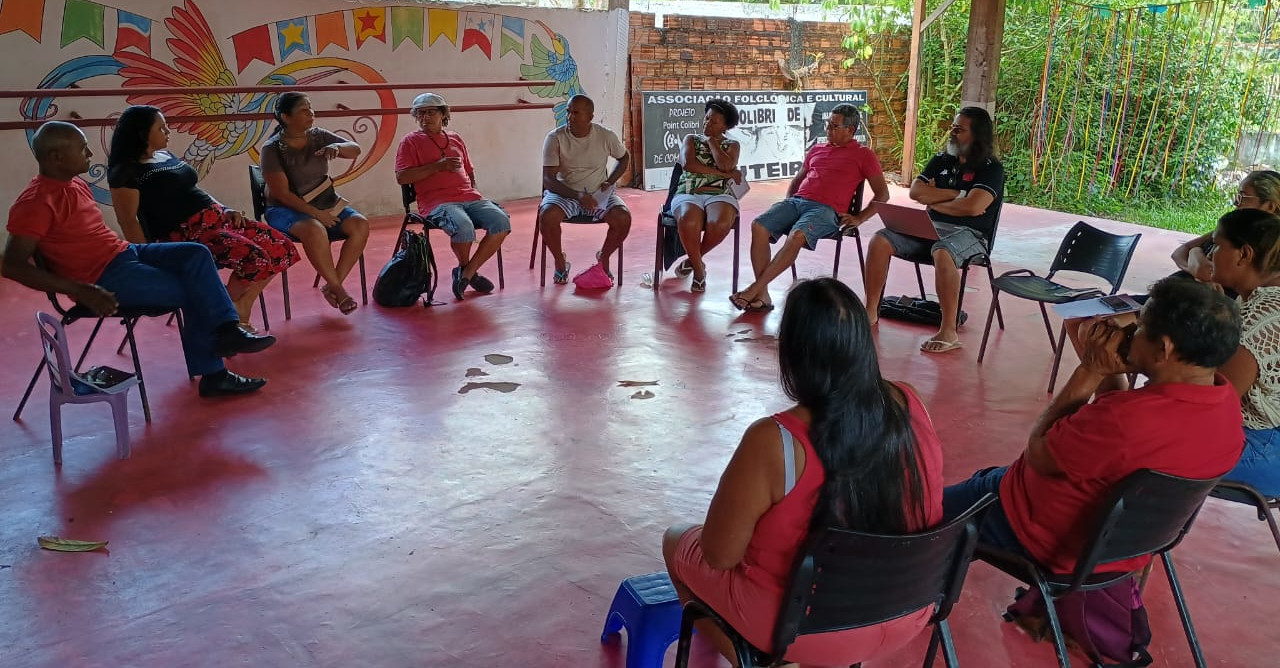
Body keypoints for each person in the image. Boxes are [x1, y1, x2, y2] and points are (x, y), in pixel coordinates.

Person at [663, 277, 944, 666]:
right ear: (863, 345)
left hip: (805, 631)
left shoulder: (774, 440)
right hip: (907, 611)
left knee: (676, 541)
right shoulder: (910, 401)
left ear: (791, 354)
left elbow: (719, 554)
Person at [942, 276, 1243, 576]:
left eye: (1138, 329)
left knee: (917, 514)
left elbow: (1039, 452)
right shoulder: (1226, 405)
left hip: (1039, 533)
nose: (1129, 333)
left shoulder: (1124, 420)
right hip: (1121, 551)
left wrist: (1090, 370)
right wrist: (1105, 365)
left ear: (1164, 349)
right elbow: (1121, 441)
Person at [3, 121, 274, 397]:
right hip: (103, 277)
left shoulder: (74, 185)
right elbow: (11, 265)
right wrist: (78, 289)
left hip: (125, 253)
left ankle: (227, 330)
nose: (89, 154)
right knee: (194, 289)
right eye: (83, 149)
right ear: (56, 157)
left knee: (196, 253)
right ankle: (214, 373)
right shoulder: (36, 203)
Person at [107, 105, 299, 332]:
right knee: (254, 257)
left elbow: (193, 189)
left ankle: (236, 307)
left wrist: (225, 208)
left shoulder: (165, 155)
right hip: (189, 234)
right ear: (142, 133)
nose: (168, 131)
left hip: (218, 220)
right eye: (161, 128)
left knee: (281, 247)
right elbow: (128, 220)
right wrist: (149, 257)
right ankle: (228, 316)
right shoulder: (126, 172)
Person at [864, 106, 1005, 353]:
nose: (952, 132)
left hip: (972, 235)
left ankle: (948, 330)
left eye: (959, 130)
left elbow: (973, 208)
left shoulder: (991, 168)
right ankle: (870, 312)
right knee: (881, 239)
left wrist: (935, 200)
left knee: (943, 251)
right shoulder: (941, 160)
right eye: (952, 127)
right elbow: (916, 192)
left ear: (977, 136)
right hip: (931, 227)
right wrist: (956, 195)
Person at [731, 104, 889, 312]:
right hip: (798, 202)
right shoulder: (817, 149)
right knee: (758, 226)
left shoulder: (863, 155)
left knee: (797, 235)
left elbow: (882, 195)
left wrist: (859, 218)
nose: (828, 129)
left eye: (834, 126)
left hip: (826, 210)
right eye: (827, 124)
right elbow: (798, 179)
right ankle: (763, 294)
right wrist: (789, 203)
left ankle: (755, 289)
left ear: (850, 131)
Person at [260, 92, 369, 315]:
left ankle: (332, 284)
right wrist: (316, 214)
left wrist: (337, 149)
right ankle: (339, 290)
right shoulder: (272, 149)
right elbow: (281, 194)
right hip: (284, 209)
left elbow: (355, 149)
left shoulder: (318, 136)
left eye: (310, 108)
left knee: (360, 224)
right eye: (303, 110)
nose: (311, 113)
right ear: (285, 117)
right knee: (314, 229)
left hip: (324, 203)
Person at [394, 92, 510, 301]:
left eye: (430, 113)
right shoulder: (410, 141)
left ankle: (466, 272)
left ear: (443, 114)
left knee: (501, 221)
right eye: (420, 114)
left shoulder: (455, 138)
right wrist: (439, 166)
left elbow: (469, 170)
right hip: (437, 202)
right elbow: (402, 177)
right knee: (463, 227)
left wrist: (472, 192)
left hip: (469, 197)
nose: (425, 118)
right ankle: (468, 273)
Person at [1203, 208, 1280, 496]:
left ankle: (1138, 539)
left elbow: (1209, 404)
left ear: (1244, 254)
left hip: (1266, 449)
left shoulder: (1260, 319)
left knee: (1144, 453)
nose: (1210, 254)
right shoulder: (1258, 304)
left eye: (1217, 245)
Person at [538, 94, 631, 287]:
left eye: (576, 113)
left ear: (590, 117)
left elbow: (624, 158)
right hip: (565, 193)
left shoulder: (605, 136)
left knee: (623, 217)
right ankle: (560, 262)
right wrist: (578, 196)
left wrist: (611, 181)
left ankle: (603, 258)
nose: (570, 117)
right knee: (547, 217)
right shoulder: (555, 138)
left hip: (598, 193)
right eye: (568, 112)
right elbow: (548, 180)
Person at [670, 98, 743, 293]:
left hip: (719, 193)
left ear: (725, 126)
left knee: (719, 224)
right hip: (689, 190)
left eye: (714, 121)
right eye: (707, 118)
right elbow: (689, 165)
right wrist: (724, 175)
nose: (707, 123)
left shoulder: (732, 145)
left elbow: (726, 164)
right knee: (687, 220)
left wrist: (712, 142)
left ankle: (692, 261)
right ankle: (700, 270)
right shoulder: (691, 139)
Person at [1172, 170, 1280, 282]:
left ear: (1270, 206)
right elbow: (1180, 253)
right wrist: (1194, 269)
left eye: (1242, 197)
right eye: (1237, 196)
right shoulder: (1233, 228)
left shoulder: (1269, 246)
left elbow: (1206, 272)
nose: (1236, 203)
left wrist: (1195, 254)